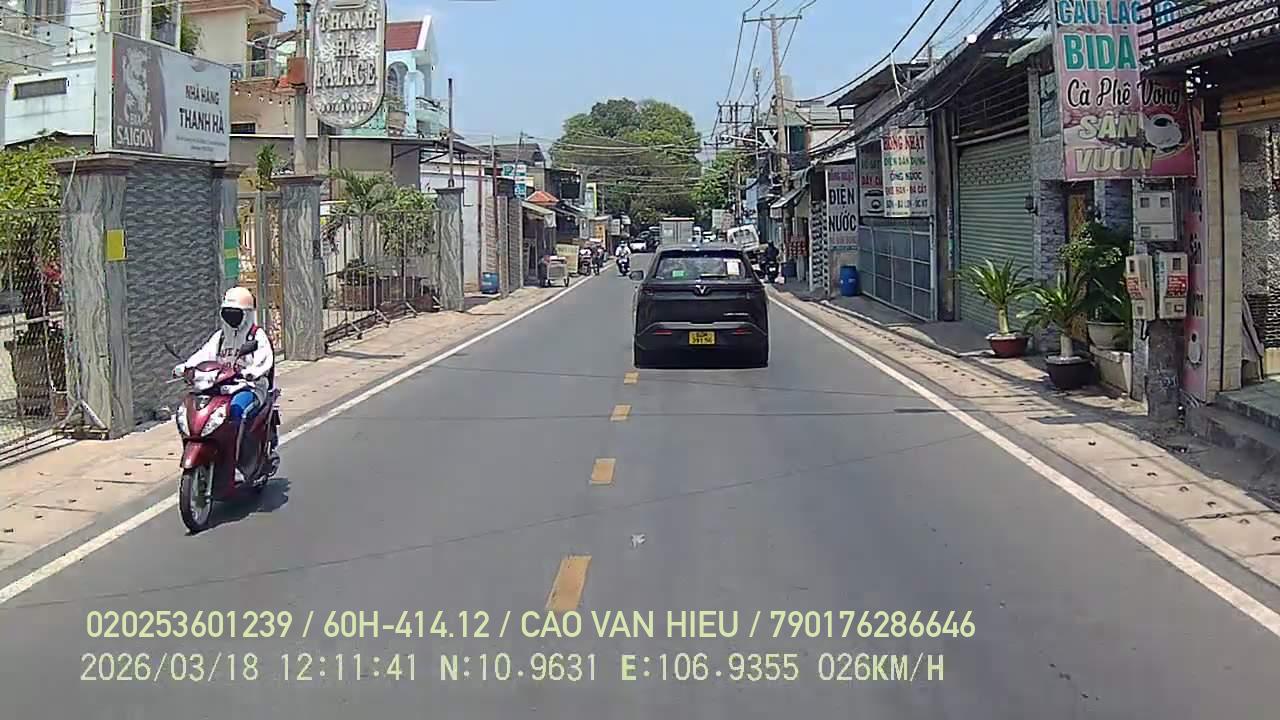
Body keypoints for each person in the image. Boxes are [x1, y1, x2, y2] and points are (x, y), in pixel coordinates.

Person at [173, 287, 277, 483]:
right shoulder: (220, 337)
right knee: (190, 410)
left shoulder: (256, 336)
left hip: (250, 387)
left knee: (238, 412)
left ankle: (241, 464)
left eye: (235, 313)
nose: (231, 317)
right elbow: (203, 354)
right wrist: (186, 367)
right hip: (220, 388)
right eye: (227, 312)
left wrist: (252, 372)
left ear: (246, 314)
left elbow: (264, 359)